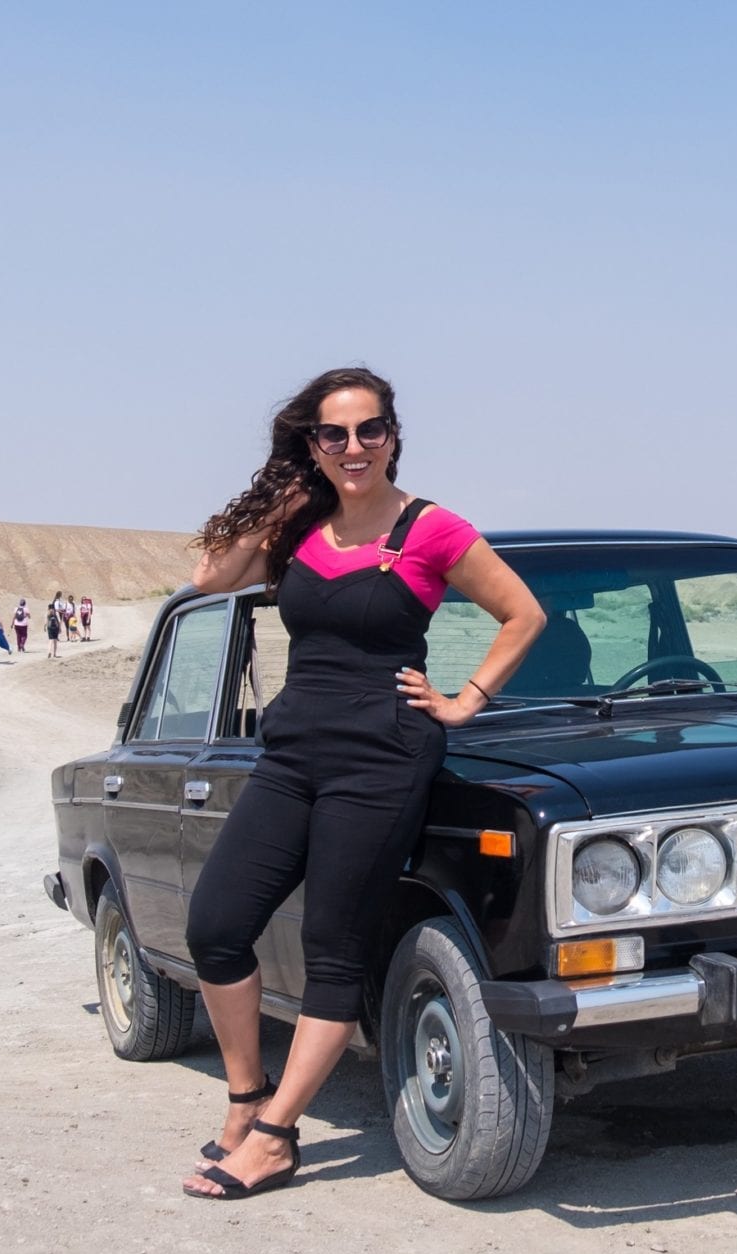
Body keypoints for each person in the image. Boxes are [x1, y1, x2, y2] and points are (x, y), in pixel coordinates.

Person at [179, 367, 544, 1201]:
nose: (354, 448)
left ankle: (273, 1139)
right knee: (217, 922)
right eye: (333, 434)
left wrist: (463, 701)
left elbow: (523, 613)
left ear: (393, 435)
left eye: (369, 430)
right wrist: (277, 498)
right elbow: (208, 578)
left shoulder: (433, 529)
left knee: (334, 949)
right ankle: (246, 1100)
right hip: (294, 749)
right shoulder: (299, 523)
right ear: (312, 443)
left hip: (382, 756)